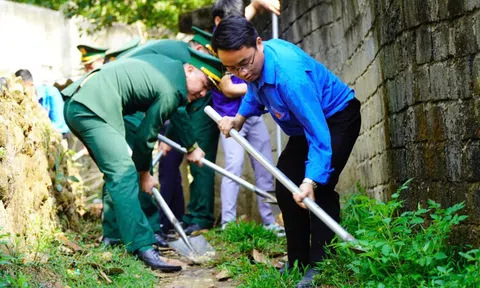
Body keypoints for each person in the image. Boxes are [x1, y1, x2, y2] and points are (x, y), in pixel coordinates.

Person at [212, 15, 361, 287]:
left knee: (320, 188)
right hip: (307, 125)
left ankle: (320, 265)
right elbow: (254, 93)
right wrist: (239, 119)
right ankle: (298, 261)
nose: (242, 74)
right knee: (284, 187)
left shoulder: (289, 77)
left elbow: (318, 133)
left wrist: (310, 180)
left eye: (244, 64)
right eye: (231, 69)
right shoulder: (253, 67)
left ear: (259, 43)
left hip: (336, 118)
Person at [62, 48, 223, 271]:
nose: (204, 93)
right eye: (204, 84)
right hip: (93, 108)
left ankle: (114, 236)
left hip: (83, 104)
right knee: (124, 173)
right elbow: (146, 136)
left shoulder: (167, 68)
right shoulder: (171, 89)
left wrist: (190, 146)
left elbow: (171, 117)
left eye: (209, 90)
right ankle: (143, 246)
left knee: (116, 175)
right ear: (189, 69)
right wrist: (144, 174)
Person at [121, 35, 221, 236]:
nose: (209, 62)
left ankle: (156, 227)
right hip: (129, 105)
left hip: (125, 99)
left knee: (135, 164)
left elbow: (177, 105)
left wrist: (184, 143)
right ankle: (148, 230)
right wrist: (189, 145)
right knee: (137, 166)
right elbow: (176, 104)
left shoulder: (177, 58)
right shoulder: (182, 61)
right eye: (209, 57)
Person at [194, 19, 282, 233]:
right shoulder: (218, 55)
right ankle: (228, 222)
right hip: (229, 119)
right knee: (233, 168)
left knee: (265, 166)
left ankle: (269, 221)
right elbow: (228, 90)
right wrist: (259, 86)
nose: (239, 70)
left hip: (253, 116)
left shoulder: (240, 47)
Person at [14, 69, 70, 137]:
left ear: (31, 85)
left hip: (61, 135)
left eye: (23, 90)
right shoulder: (26, 101)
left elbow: (59, 123)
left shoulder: (51, 93)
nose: (23, 94)